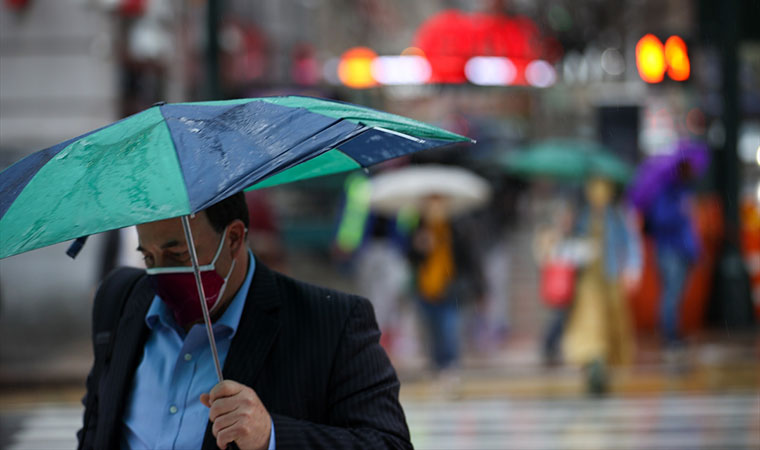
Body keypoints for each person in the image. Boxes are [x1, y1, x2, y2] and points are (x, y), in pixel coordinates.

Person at [77, 192, 412, 450]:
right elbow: (97, 425)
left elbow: (388, 443)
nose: (162, 273)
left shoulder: (332, 322)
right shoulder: (119, 299)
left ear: (234, 238)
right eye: (149, 257)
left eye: (179, 255)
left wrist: (271, 436)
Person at [561, 176, 642, 395]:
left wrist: (633, 269)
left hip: (611, 279)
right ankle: (593, 362)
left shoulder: (617, 215)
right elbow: (570, 245)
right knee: (589, 323)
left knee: (612, 325)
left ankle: (604, 364)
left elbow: (631, 243)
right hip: (588, 281)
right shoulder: (582, 215)